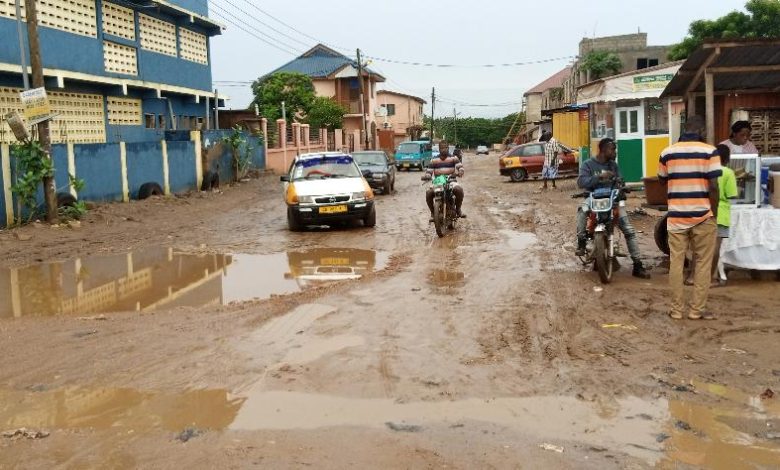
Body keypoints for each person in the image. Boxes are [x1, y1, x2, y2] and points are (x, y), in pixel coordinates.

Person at [658, 115, 721, 321]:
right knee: (702, 263)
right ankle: (696, 311)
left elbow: (662, 180)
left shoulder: (667, 153)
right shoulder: (710, 151)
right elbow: (713, 186)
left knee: (676, 262)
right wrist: (715, 212)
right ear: (701, 132)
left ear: (684, 130)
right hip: (703, 216)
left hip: (676, 217)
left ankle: (676, 311)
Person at [575, 138, 651, 279]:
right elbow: (581, 182)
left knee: (628, 230)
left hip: (612, 200)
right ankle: (581, 242)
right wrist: (599, 178)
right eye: (612, 149)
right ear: (603, 150)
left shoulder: (614, 166)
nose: (615, 152)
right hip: (593, 199)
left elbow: (620, 180)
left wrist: (621, 188)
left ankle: (638, 265)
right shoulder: (588, 165)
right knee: (582, 210)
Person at [685, 144, 737, 287]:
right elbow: (732, 195)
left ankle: (691, 277)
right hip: (720, 213)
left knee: (698, 247)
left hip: (701, 211)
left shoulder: (704, 171)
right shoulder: (728, 173)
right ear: (727, 158)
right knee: (715, 247)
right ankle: (709, 279)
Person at [423, 140, 465, 221]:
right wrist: (427, 176)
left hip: (451, 180)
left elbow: (460, 167)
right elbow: (429, 171)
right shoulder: (434, 160)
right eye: (442, 148)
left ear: (448, 148)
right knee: (429, 193)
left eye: (446, 147)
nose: (444, 149)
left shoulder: (453, 157)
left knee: (459, 190)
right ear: (439, 149)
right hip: (438, 181)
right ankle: (433, 213)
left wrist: (460, 171)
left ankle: (458, 209)